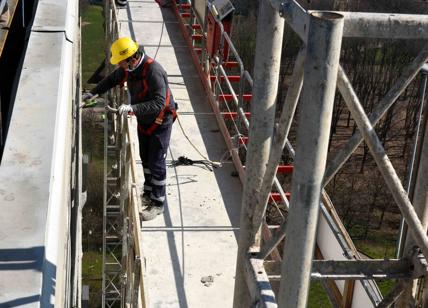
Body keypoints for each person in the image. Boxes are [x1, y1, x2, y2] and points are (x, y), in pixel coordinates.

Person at [83, 37, 177, 221]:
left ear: (131, 58)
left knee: (157, 162)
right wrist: (93, 92)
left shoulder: (153, 71)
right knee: (145, 158)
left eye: (121, 62)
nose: (120, 66)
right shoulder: (131, 69)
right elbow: (111, 79)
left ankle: (158, 203)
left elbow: (159, 103)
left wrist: (133, 108)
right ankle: (149, 192)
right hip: (145, 120)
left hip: (160, 121)